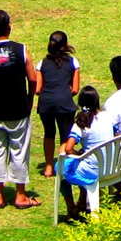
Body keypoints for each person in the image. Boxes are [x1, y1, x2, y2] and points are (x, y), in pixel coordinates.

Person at [0, 9, 39, 208]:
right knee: (19, 151)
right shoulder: (21, 50)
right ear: (9, 27)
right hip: (18, 110)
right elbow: (32, 78)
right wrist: (29, 100)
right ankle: (20, 195)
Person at [56, 86, 115, 218]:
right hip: (111, 167)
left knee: (61, 167)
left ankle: (71, 207)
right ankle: (82, 202)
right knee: (82, 164)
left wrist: (79, 154)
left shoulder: (81, 123)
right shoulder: (107, 117)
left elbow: (68, 148)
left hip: (94, 170)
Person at [35, 30, 80, 179]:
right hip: (65, 102)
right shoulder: (73, 62)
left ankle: (48, 167)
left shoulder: (42, 63)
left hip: (46, 103)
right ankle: (62, 167)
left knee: (49, 133)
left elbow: (37, 89)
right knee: (65, 135)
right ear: (66, 45)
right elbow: (75, 89)